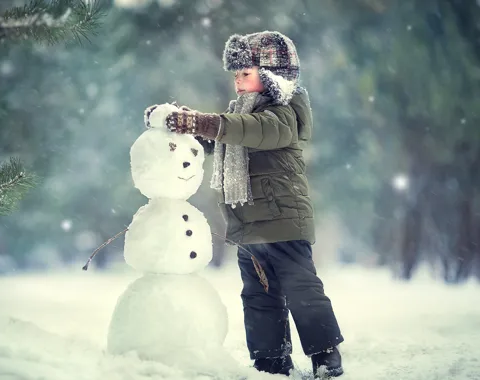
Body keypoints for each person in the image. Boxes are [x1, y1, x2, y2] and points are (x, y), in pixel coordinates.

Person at [144, 31, 344, 378]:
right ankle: (270, 361)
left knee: (302, 291)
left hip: (283, 221)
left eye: (245, 74)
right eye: (235, 75)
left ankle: (326, 356)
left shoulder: (284, 114)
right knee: (258, 298)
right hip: (248, 226)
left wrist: (203, 122)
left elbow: (247, 130)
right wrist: (182, 125)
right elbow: (221, 138)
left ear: (270, 77)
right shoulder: (240, 113)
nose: (238, 82)